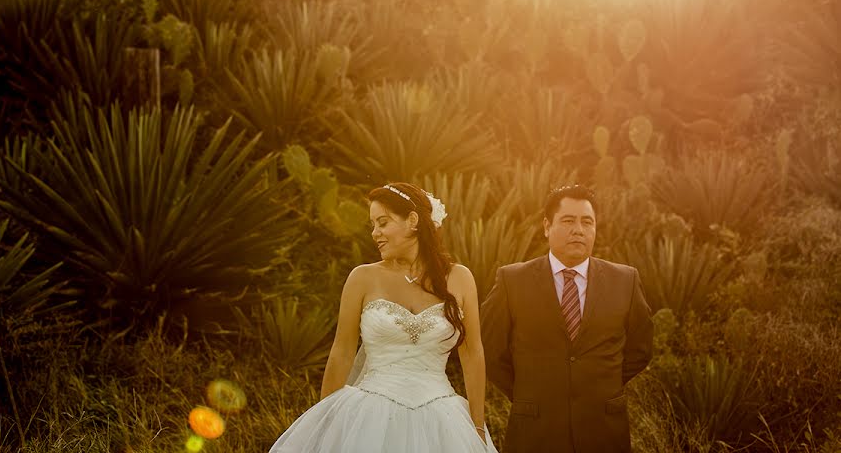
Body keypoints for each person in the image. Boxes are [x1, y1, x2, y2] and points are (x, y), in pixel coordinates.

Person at [270, 182, 497, 452]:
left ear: (412, 221)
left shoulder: (460, 278)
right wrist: (327, 422)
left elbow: (472, 353)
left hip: (442, 419)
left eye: (383, 223)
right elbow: (341, 352)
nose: (375, 233)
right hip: (369, 412)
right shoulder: (362, 278)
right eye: (373, 225)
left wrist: (477, 424)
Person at [480, 184, 653, 452]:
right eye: (568, 220)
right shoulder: (512, 280)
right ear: (547, 227)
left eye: (587, 222)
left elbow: (640, 349)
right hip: (535, 429)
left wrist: (600, 382)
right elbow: (490, 350)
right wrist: (529, 391)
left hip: (604, 429)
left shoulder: (626, 280)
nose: (578, 230)